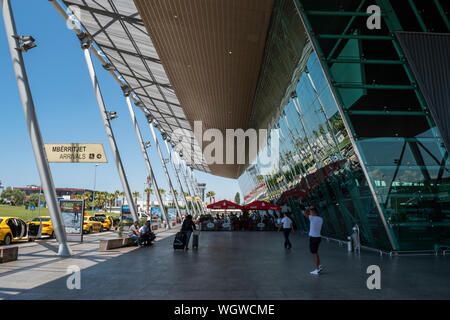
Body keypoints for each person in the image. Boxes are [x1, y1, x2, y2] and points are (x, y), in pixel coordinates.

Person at [303, 205, 324, 275]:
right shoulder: (320, 219)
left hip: (313, 238)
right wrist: (311, 209)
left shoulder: (312, 218)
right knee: (316, 252)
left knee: (314, 254)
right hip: (318, 237)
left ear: (313, 212)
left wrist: (308, 208)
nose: (310, 213)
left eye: (310, 212)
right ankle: (319, 265)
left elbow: (304, 213)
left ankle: (317, 269)